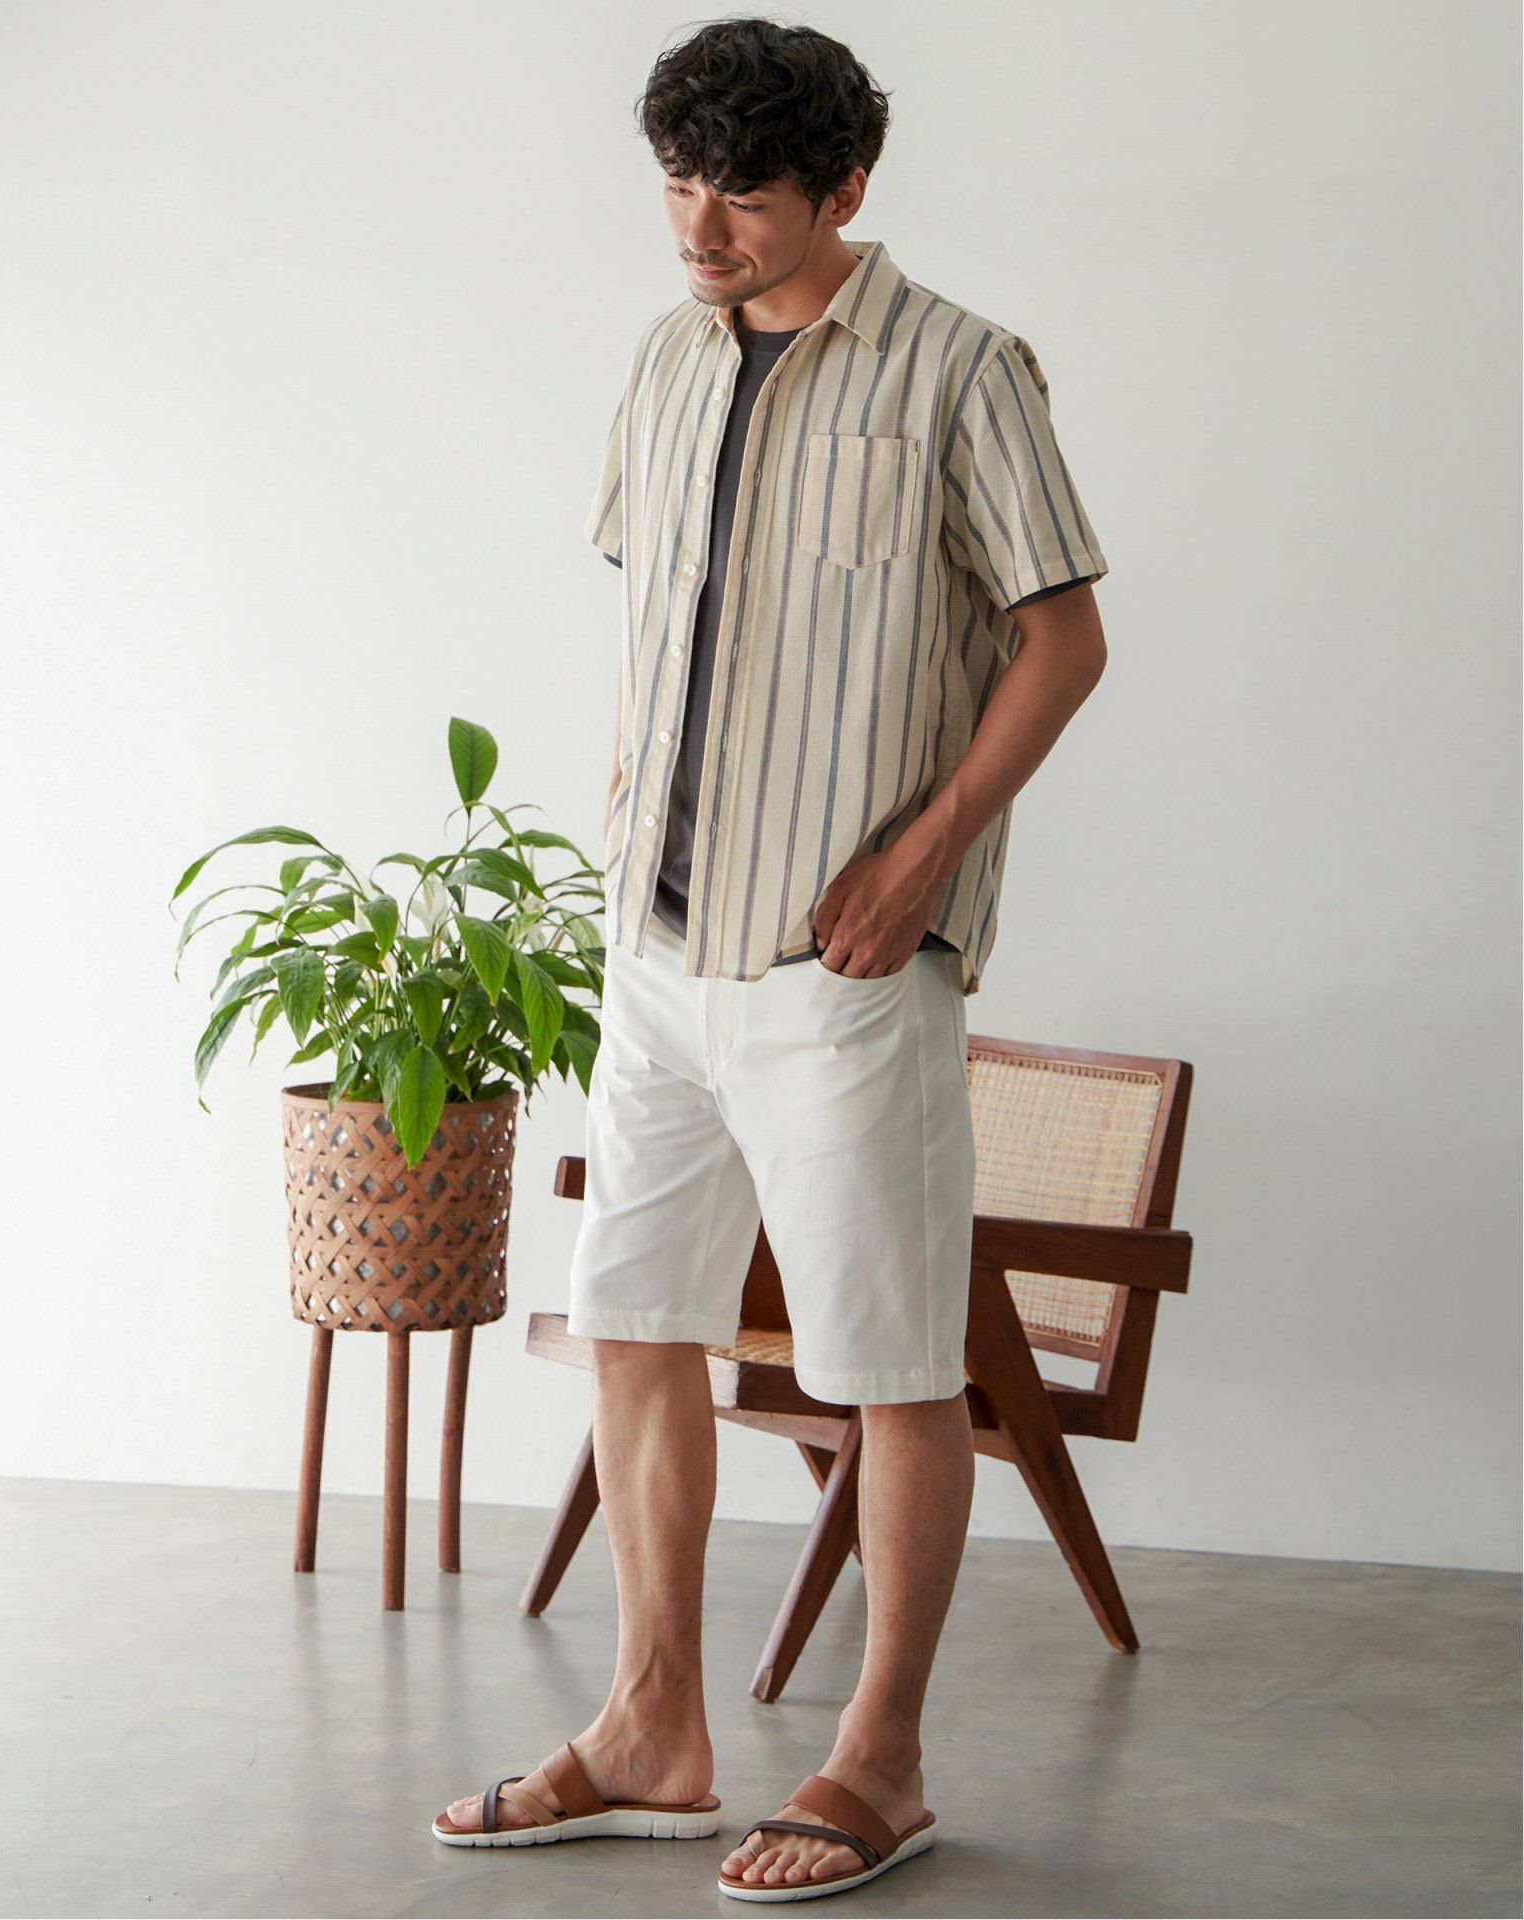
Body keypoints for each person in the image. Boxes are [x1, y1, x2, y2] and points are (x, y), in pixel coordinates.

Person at [433, 16, 1109, 1903]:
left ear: (846, 188)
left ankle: (880, 1760)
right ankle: (654, 1728)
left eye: (743, 191)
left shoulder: (964, 370)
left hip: (846, 967)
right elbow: (669, 625)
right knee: (635, 1324)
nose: (700, 225)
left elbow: (1064, 642)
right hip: (658, 954)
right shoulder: (664, 360)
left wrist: (920, 859)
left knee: (889, 1364)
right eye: (678, 180)